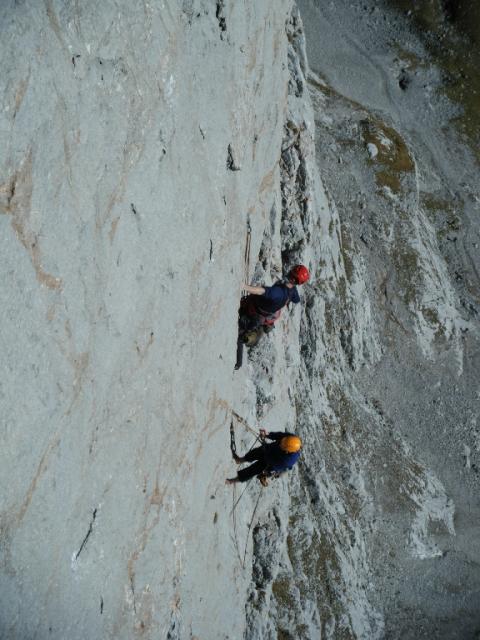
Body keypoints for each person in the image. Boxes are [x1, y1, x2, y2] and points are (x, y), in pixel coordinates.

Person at [226, 429, 302, 486]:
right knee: (254, 453)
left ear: (287, 451)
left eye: (282, 446)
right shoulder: (291, 439)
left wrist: (265, 473)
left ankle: (232, 481)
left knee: (251, 471)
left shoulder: (287, 461)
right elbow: (279, 435)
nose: (280, 445)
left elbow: (273, 465)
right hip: (270, 449)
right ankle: (240, 460)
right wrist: (267, 435)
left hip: (270, 463)